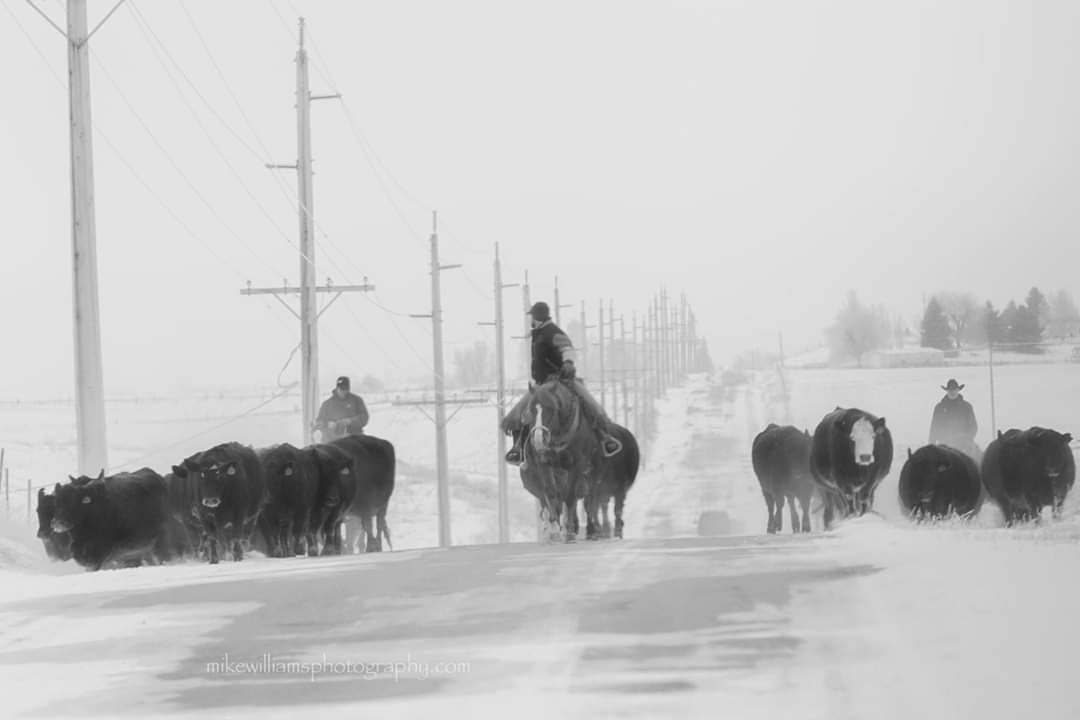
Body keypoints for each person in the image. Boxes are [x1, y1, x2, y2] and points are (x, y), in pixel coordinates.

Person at [503, 301, 621, 465]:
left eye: (532, 316)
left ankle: (605, 438)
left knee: (588, 402)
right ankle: (519, 448)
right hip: (540, 384)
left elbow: (567, 348)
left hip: (561, 380)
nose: (531, 320)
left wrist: (568, 363)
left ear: (538, 317)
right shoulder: (538, 334)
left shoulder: (553, 332)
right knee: (518, 413)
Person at [929, 378, 978, 457]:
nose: (952, 392)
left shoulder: (967, 407)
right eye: (950, 390)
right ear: (947, 391)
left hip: (964, 446)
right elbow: (934, 428)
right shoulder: (939, 408)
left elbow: (973, 426)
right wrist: (931, 446)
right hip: (944, 447)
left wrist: (967, 439)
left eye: (954, 390)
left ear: (958, 390)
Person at [313, 376, 369, 441]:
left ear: (348, 389)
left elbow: (365, 417)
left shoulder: (357, 400)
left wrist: (350, 421)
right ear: (337, 388)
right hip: (333, 441)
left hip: (354, 439)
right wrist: (327, 424)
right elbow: (319, 421)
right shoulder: (327, 404)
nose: (343, 392)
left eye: (345, 389)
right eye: (341, 389)